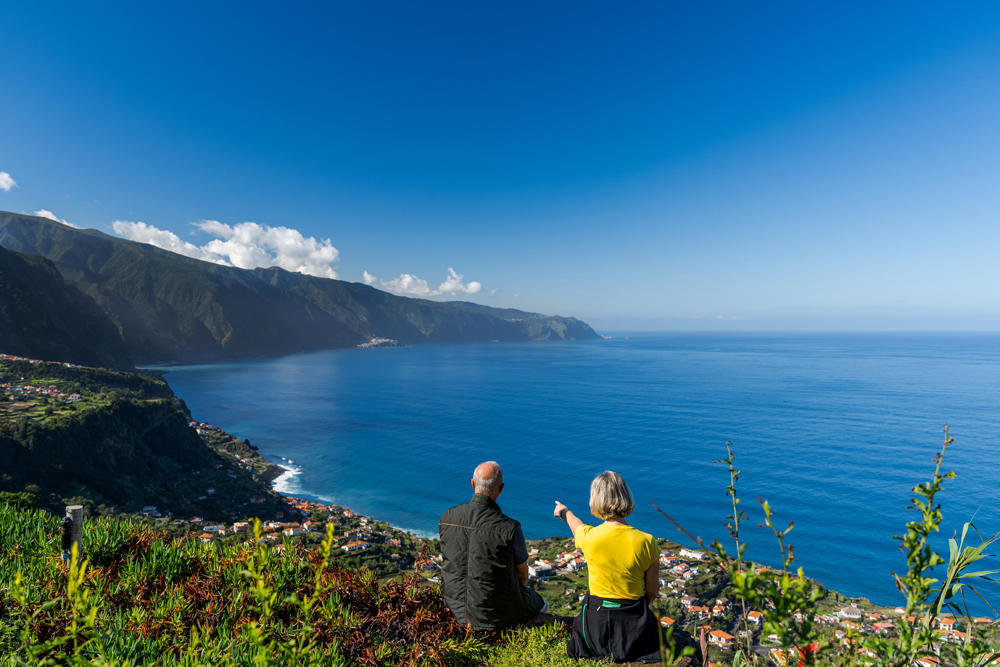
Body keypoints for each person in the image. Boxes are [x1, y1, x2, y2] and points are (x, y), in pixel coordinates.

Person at [554, 471, 664, 663]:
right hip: (634, 630)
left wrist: (564, 512)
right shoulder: (647, 542)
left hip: (595, 629)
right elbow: (652, 592)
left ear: (595, 500)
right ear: (626, 496)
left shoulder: (590, 538)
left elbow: (576, 526)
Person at [438, 461, 548, 631]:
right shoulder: (509, 528)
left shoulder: (447, 518)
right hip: (495, 616)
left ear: (473, 484)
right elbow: (523, 575)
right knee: (542, 605)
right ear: (501, 488)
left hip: (452, 609)